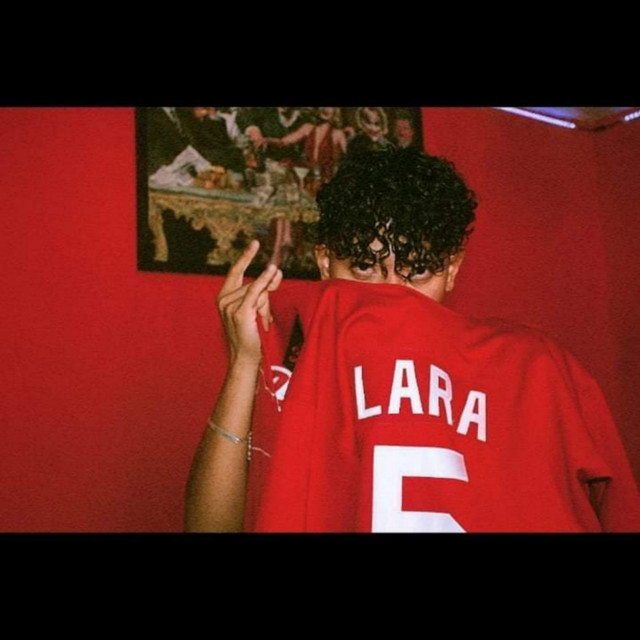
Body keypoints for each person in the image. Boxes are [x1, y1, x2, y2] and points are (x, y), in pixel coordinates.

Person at [184, 147, 640, 533]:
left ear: (453, 269)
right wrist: (244, 363)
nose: (392, 295)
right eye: (364, 268)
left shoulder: (534, 367)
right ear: (324, 263)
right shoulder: (289, 360)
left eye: (417, 271)